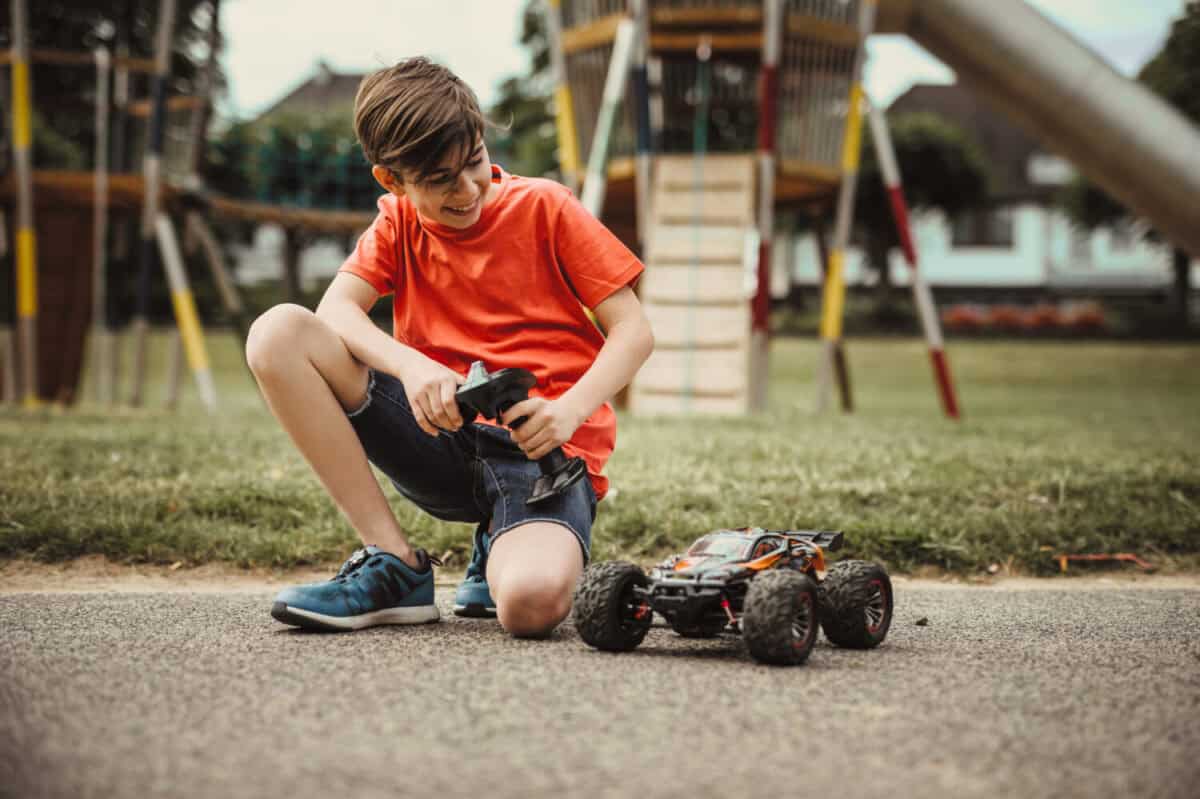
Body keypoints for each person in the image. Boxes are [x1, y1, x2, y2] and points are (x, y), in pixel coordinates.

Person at [244, 57, 654, 638]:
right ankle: (394, 563)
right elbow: (334, 310)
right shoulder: (396, 223)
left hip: (539, 456)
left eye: (475, 163)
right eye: (439, 180)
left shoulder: (547, 206)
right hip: (436, 435)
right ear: (392, 180)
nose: (467, 191)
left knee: (531, 607)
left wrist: (568, 411)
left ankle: (500, 543)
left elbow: (634, 331)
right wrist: (412, 366)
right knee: (278, 332)